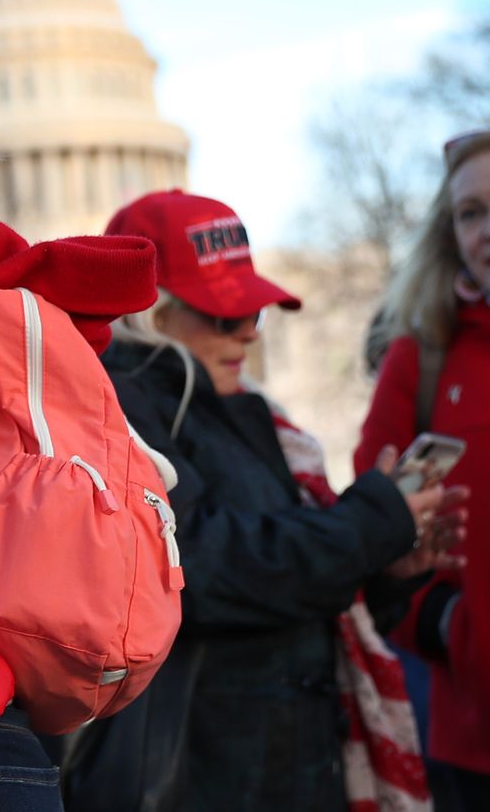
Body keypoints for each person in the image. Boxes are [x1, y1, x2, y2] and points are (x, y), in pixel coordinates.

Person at [91, 190, 466, 812]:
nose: (246, 331)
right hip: (201, 773)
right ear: (151, 312)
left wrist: (386, 569)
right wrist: (373, 521)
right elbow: (198, 567)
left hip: (286, 761)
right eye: (222, 314)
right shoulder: (121, 408)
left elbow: (287, 580)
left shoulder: (248, 410)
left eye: (252, 312)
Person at [357, 128, 490, 809]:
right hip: (473, 737)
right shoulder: (423, 356)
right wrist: (440, 623)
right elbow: (368, 522)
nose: (487, 230)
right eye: (471, 212)